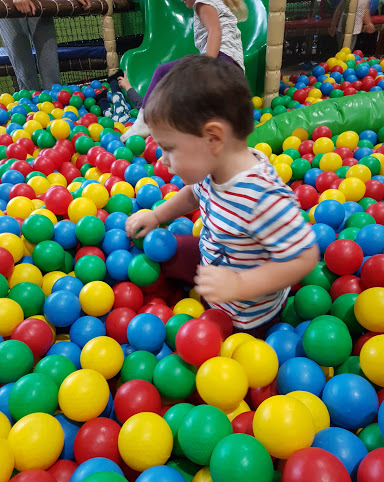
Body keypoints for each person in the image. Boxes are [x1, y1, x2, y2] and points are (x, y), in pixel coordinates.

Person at [125, 55, 319, 336]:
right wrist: (157, 215)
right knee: (157, 250)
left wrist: (239, 285)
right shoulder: (212, 167)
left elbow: (305, 256)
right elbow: (193, 195)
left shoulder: (260, 197)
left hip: (245, 313)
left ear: (213, 138)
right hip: (213, 265)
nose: (163, 160)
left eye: (169, 149)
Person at [121, 0, 248, 141]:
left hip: (220, 59)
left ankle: (143, 123)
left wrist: (207, 65)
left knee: (162, 72)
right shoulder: (214, 2)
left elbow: (215, 31)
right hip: (233, 69)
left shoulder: (203, 3)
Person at [0, 0, 90, 91]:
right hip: (7, 4)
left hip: (40, 3)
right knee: (24, 70)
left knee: (50, 65)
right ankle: (30, 102)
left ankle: (54, 99)